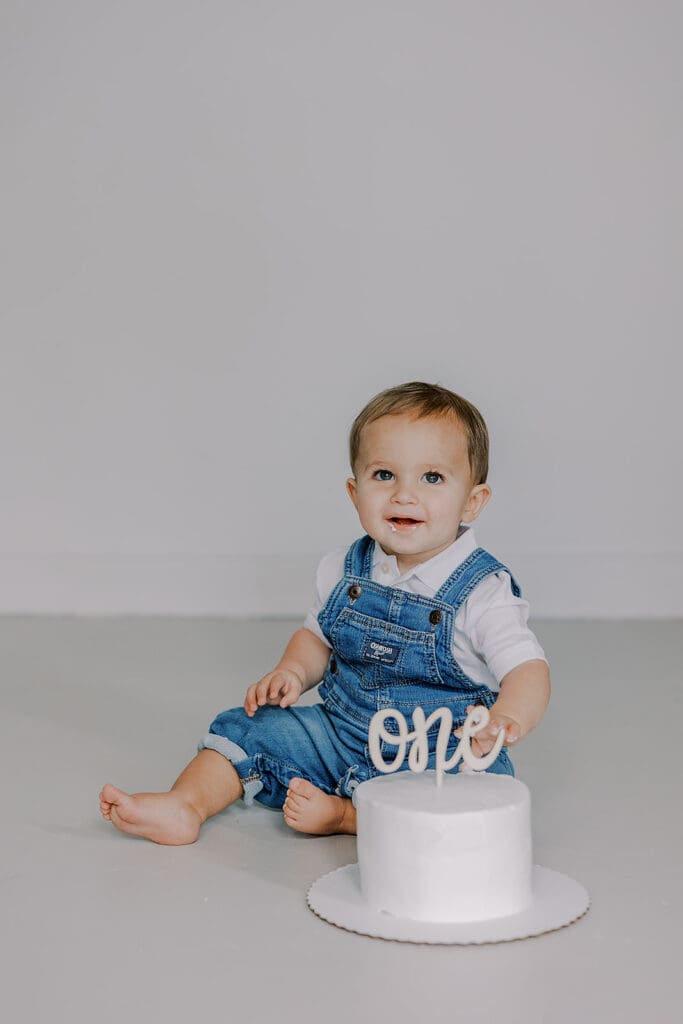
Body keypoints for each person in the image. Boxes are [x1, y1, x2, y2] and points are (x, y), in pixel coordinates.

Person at [100, 382, 550, 844]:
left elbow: (527, 669)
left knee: (479, 792)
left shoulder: (482, 591)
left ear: (472, 501)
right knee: (246, 727)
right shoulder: (344, 568)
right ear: (355, 493)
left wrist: (509, 716)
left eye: (432, 478)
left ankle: (345, 816)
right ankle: (185, 805)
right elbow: (317, 636)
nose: (404, 495)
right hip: (339, 734)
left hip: (434, 755)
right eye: (384, 475)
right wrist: (292, 671)